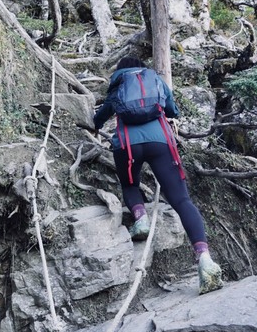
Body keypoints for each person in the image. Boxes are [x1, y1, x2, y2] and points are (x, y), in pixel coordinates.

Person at [93, 56, 223, 294]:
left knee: (130, 184)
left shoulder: (118, 83)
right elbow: (173, 110)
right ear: (142, 67)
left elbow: (102, 115)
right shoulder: (155, 80)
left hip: (127, 145)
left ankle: (140, 218)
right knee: (182, 200)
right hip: (161, 142)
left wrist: (95, 123)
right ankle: (204, 259)